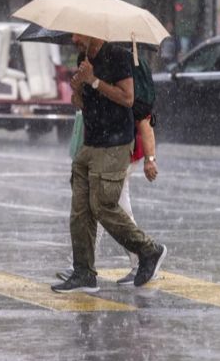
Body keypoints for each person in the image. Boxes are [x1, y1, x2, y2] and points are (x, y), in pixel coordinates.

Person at [52, 33, 166, 293]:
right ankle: (84, 273)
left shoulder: (119, 58)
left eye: (77, 34)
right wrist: (78, 87)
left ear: (92, 32)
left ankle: (149, 250)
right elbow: (80, 104)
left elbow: (127, 97)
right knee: (80, 210)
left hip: (114, 143)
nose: (73, 39)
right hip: (89, 143)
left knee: (103, 205)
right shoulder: (84, 58)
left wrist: (94, 80)